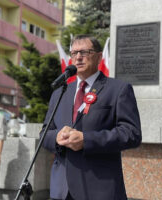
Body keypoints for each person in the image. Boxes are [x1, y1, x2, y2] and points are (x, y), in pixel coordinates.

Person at [41, 35, 142, 200]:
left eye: (85, 52)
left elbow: (131, 133)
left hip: (99, 188)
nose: (78, 57)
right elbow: (45, 132)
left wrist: (86, 140)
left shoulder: (118, 89)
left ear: (99, 57)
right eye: (74, 53)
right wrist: (57, 137)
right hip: (61, 189)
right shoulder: (60, 92)